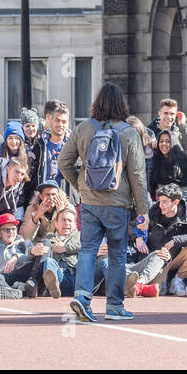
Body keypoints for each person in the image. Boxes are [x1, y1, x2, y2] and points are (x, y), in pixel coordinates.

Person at [58, 81, 150, 324]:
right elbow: (138, 175)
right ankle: (115, 306)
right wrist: (143, 210)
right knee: (118, 255)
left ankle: (83, 297)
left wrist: (80, 186)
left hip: (89, 202)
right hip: (118, 203)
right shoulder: (128, 132)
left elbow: (63, 162)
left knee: (88, 249)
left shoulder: (83, 129)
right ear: (122, 104)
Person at [126, 183, 187, 296]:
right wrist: (137, 237)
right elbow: (130, 226)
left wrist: (176, 240)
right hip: (154, 259)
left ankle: (177, 281)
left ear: (176, 202)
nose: (160, 205)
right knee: (161, 291)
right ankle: (148, 284)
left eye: (164, 202)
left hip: (173, 259)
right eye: (160, 201)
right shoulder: (152, 212)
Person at [31, 205, 82, 298]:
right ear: (56, 224)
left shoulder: (80, 236)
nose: (66, 223)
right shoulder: (49, 238)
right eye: (63, 220)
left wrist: (66, 248)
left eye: (70, 220)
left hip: (77, 277)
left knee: (104, 262)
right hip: (59, 275)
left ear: (75, 225)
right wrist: (32, 251)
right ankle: (53, 287)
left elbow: (88, 247)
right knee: (49, 261)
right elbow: (36, 248)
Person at [28, 103, 72, 198]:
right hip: (43, 196)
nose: (60, 124)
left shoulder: (74, 145)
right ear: (50, 120)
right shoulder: (39, 144)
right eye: (57, 120)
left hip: (65, 197)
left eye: (64, 122)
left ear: (68, 124)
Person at [0, 213, 34, 298]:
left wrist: (16, 256)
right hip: (4, 278)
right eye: (7, 230)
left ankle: (16, 290)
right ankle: (16, 291)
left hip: (21, 274)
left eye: (14, 229)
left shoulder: (24, 243)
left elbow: (31, 259)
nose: (11, 232)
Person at [148, 129, 187, 199]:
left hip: (179, 199)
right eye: (161, 141)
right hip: (162, 200)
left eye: (168, 141)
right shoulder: (157, 158)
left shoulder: (182, 160)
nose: (164, 144)